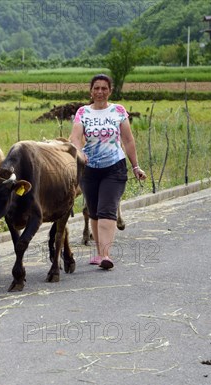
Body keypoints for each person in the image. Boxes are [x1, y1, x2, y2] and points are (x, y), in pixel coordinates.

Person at [69, 73, 146, 270]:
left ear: (110, 91)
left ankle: (105, 255)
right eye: (97, 88)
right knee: (93, 212)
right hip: (89, 169)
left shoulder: (118, 111)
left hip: (115, 167)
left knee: (107, 210)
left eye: (104, 88)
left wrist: (136, 166)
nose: (100, 92)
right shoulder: (83, 112)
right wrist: (79, 153)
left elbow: (128, 140)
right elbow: (75, 138)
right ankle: (99, 252)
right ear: (91, 91)